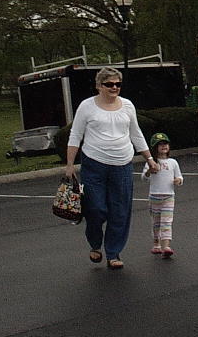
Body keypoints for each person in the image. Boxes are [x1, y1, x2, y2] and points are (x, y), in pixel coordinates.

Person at [65, 67, 158, 270]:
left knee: (120, 211)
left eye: (117, 84)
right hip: (94, 164)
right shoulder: (87, 106)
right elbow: (75, 135)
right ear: (99, 86)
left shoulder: (127, 105)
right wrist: (70, 164)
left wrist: (149, 158)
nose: (114, 87)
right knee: (96, 208)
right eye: (109, 84)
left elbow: (136, 133)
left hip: (122, 165)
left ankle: (113, 252)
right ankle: (95, 243)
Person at [142, 133, 183, 259]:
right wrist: (150, 171)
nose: (164, 146)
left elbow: (179, 176)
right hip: (154, 196)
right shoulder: (151, 162)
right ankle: (156, 243)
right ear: (154, 148)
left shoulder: (173, 162)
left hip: (168, 197)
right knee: (156, 223)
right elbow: (144, 178)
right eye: (160, 144)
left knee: (166, 222)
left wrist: (178, 180)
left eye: (165, 144)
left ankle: (166, 247)